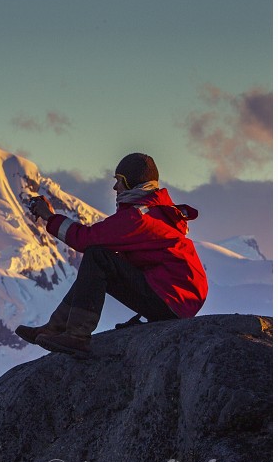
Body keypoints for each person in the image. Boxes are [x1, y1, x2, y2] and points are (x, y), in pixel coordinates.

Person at [16, 153, 208, 357]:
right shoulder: (154, 211)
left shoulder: (139, 216)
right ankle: (56, 327)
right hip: (177, 299)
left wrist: (50, 217)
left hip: (172, 300)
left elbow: (85, 239)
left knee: (97, 255)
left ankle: (76, 335)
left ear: (131, 182)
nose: (115, 188)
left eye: (119, 181)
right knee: (102, 256)